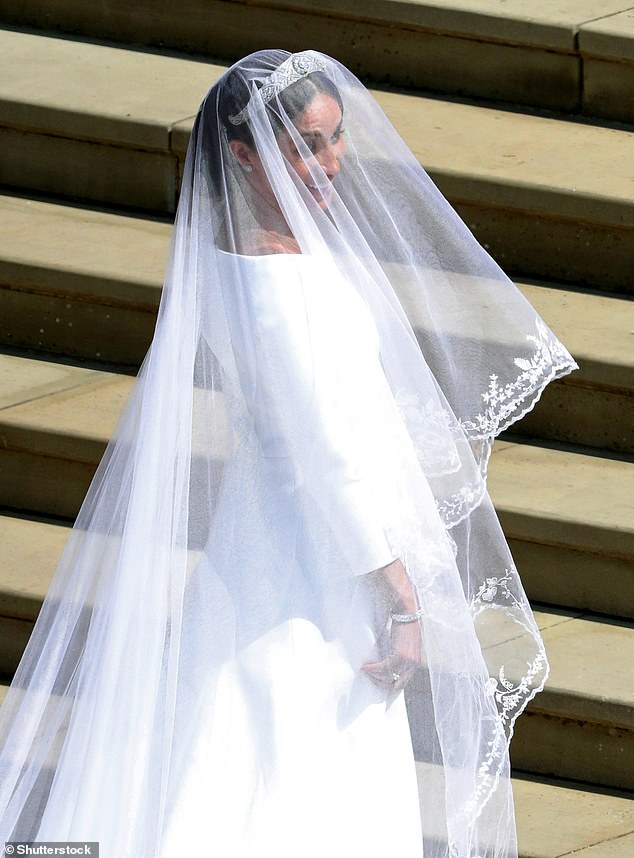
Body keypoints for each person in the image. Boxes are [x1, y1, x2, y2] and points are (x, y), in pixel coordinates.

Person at [0, 50, 577, 857]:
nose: (332, 164)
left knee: (240, 738)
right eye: (307, 146)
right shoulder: (276, 285)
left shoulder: (238, 252)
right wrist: (402, 597)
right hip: (316, 566)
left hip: (263, 542)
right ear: (244, 156)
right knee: (300, 753)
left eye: (336, 139)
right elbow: (328, 456)